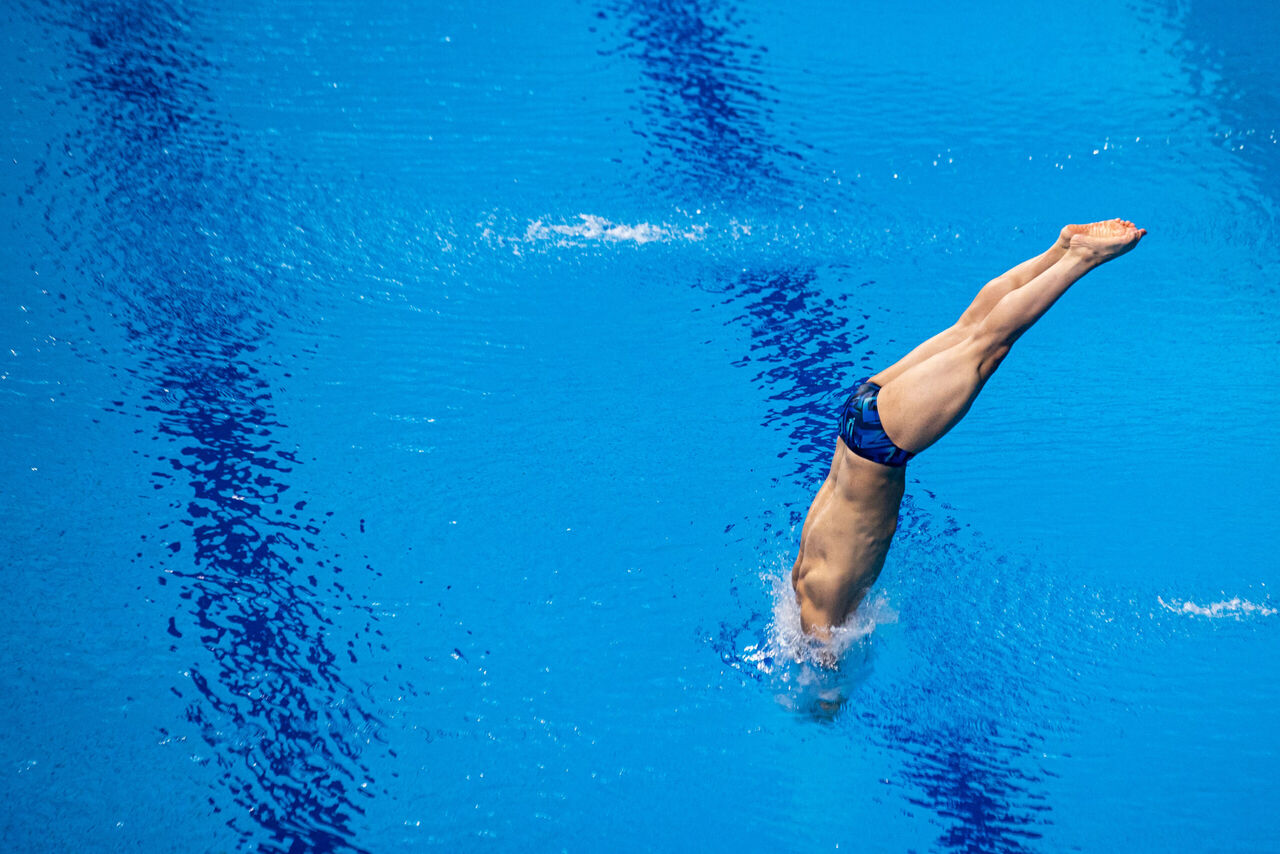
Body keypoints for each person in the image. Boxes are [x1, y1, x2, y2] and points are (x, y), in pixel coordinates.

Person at [791, 219, 1146, 640]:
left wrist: (828, 693)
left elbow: (825, 664)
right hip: (858, 415)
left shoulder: (824, 617)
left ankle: (1080, 258)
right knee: (970, 328)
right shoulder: (802, 583)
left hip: (880, 442)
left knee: (988, 347)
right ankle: (1060, 247)